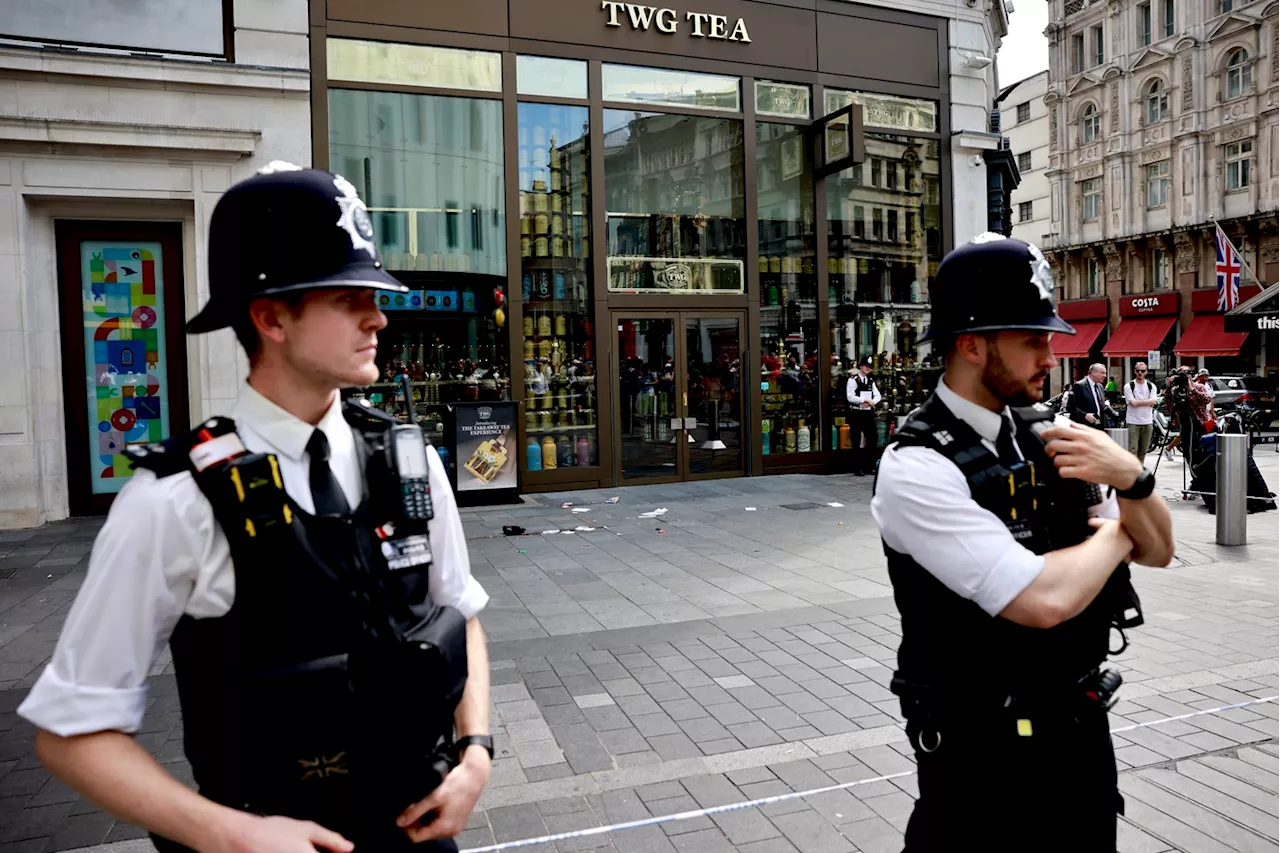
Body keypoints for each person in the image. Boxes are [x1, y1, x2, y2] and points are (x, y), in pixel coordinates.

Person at [17, 163, 494, 853]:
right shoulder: (174, 501)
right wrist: (231, 835)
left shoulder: (409, 461)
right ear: (270, 316)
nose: (379, 315)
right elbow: (70, 731)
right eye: (349, 295)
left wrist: (476, 751)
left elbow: (460, 613)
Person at [870, 233, 1174, 852]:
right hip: (982, 755)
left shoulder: (1054, 432)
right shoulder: (917, 466)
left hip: (1079, 732)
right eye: (1031, 339)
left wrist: (1132, 477)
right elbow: (1040, 600)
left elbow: (1162, 548)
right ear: (972, 345)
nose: (1050, 353)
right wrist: (1120, 530)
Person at [845, 355, 882, 475]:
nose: (868, 369)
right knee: (856, 440)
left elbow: (878, 395)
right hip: (857, 412)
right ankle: (857, 467)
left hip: (867, 413)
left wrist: (872, 402)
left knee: (872, 438)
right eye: (866, 366)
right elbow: (850, 396)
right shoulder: (853, 380)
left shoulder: (870, 381)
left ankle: (869, 465)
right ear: (860, 366)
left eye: (870, 367)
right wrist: (864, 401)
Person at [1123, 361, 1159, 465]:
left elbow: (1153, 402)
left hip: (1148, 421)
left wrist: (1139, 402)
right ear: (1134, 371)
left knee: (1143, 450)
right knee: (1132, 449)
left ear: (1146, 372)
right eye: (1138, 370)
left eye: (1142, 371)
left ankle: (1139, 472)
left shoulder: (1151, 386)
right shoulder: (1129, 386)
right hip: (1132, 421)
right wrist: (1147, 402)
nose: (1140, 373)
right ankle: (1132, 472)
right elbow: (1133, 403)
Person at [1068, 362, 1110, 428]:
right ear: (1093, 373)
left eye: (1105, 373)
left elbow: (1101, 405)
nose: (1105, 375)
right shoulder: (1079, 386)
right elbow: (1071, 407)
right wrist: (1085, 415)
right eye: (1102, 373)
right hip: (1084, 426)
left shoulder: (1100, 386)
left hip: (1099, 426)